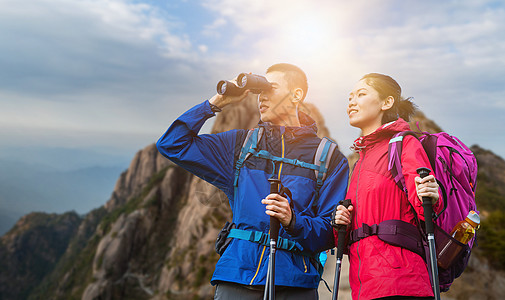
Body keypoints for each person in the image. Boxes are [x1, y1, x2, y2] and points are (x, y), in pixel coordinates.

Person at [157, 63, 349, 299]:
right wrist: (214, 104)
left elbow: (331, 232)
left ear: (296, 95)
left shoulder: (328, 157)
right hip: (237, 277)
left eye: (271, 88)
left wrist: (293, 221)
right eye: (260, 89)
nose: (262, 97)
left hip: (296, 284)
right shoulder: (240, 146)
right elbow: (172, 144)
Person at [332, 73, 442, 300]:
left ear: (387, 102)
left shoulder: (404, 144)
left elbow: (426, 209)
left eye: (361, 94)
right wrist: (340, 223)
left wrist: (431, 194)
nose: (351, 101)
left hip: (401, 283)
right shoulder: (359, 161)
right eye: (350, 97)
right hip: (363, 287)